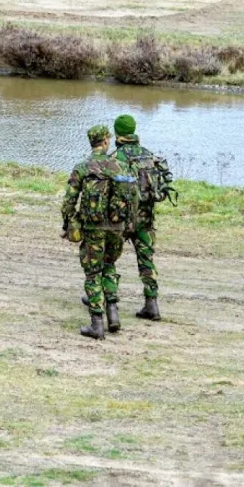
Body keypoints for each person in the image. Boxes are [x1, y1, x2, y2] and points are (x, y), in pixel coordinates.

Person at [61, 125, 140, 340]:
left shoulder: (82, 167)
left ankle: (97, 324)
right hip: (117, 227)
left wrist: (67, 224)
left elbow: (68, 201)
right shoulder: (121, 166)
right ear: (105, 141)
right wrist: (130, 226)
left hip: (92, 228)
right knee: (109, 266)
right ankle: (113, 314)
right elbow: (133, 199)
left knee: (93, 272)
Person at [112, 114, 175, 322]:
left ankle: (105, 298)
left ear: (118, 133)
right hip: (146, 219)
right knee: (146, 260)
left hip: (120, 220)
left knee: (106, 258)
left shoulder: (115, 158)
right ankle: (152, 304)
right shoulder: (149, 156)